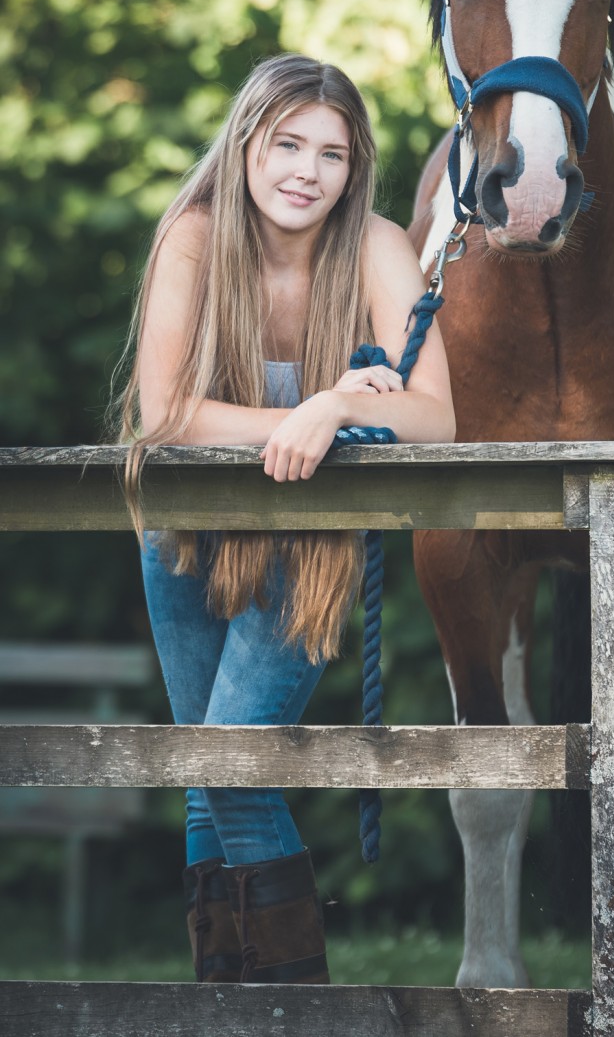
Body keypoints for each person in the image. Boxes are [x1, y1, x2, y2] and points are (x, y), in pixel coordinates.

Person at [115, 53, 455, 985]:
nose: (307, 171)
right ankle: (230, 1011)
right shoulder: (194, 236)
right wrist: (306, 410)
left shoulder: (379, 245)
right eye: (287, 145)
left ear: (356, 168)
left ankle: (290, 1012)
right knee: (204, 779)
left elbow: (437, 418)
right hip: (186, 532)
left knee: (232, 766)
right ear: (247, 144)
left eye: (332, 154)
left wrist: (337, 410)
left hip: (305, 544)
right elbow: (167, 415)